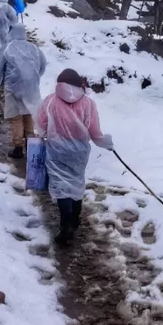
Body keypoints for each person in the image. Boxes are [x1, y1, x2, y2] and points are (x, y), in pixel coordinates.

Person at [34, 68, 113, 245]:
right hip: (79, 151)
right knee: (76, 182)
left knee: (60, 185)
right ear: (79, 83)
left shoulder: (50, 101)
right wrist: (106, 143)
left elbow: (40, 124)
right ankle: (75, 219)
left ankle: (66, 226)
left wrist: (44, 135)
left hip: (57, 149)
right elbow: (95, 132)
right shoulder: (88, 104)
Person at [0, 23, 48, 158]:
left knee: (16, 118)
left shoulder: (6, 49)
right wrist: (33, 78)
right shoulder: (34, 48)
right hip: (31, 89)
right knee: (29, 115)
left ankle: (18, 147)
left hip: (13, 89)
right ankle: (30, 143)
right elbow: (43, 65)